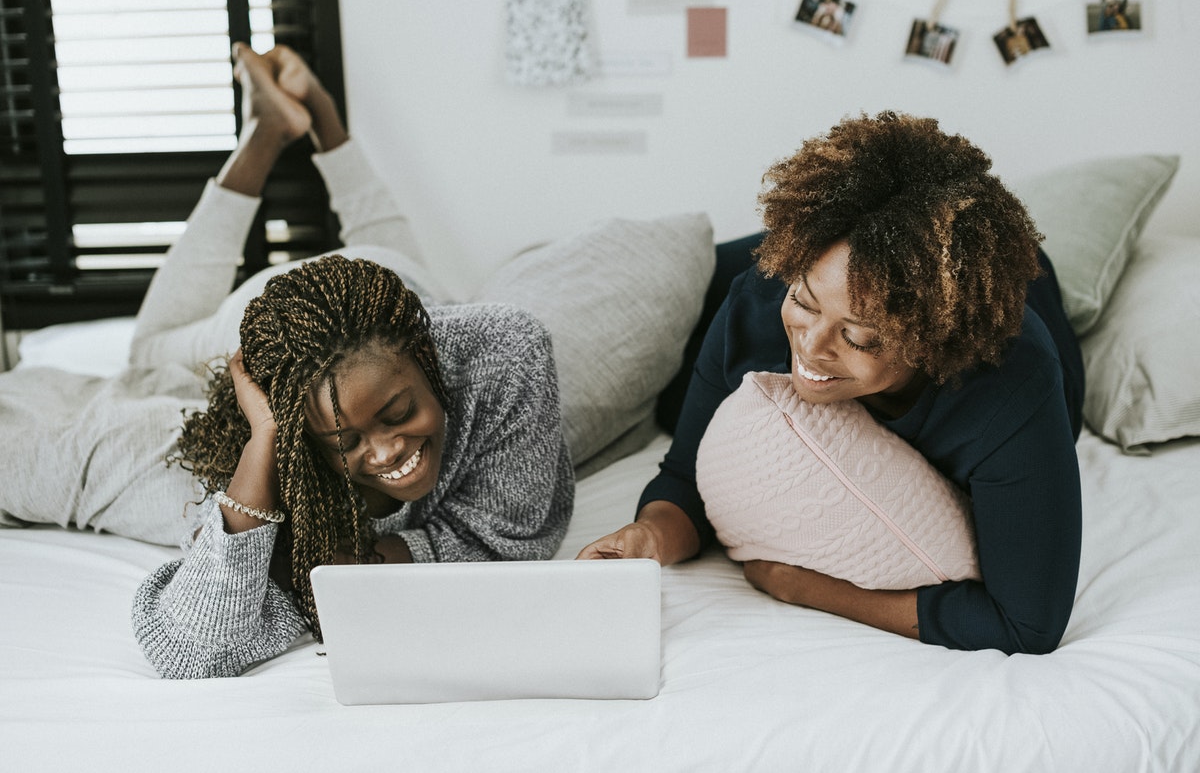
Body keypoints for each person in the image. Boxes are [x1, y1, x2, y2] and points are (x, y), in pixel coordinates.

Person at [0, 44, 573, 678]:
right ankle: (275, 130)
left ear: (426, 352)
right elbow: (191, 648)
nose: (384, 454)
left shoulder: (504, 354)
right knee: (151, 353)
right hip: (269, 319)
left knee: (391, 255)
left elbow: (516, 539)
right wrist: (267, 437)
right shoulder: (283, 429)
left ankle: (308, 119)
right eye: (346, 440)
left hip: (391, 284)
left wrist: (382, 558)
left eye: (398, 412)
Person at [580, 111, 1085, 656]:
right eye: (803, 302)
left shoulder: (1010, 386)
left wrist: (799, 585)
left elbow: (1026, 626)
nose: (812, 349)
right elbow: (683, 477)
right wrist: (648, 537)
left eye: (860, 337)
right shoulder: (760, 299)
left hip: (1015, 296)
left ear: (929, 345)